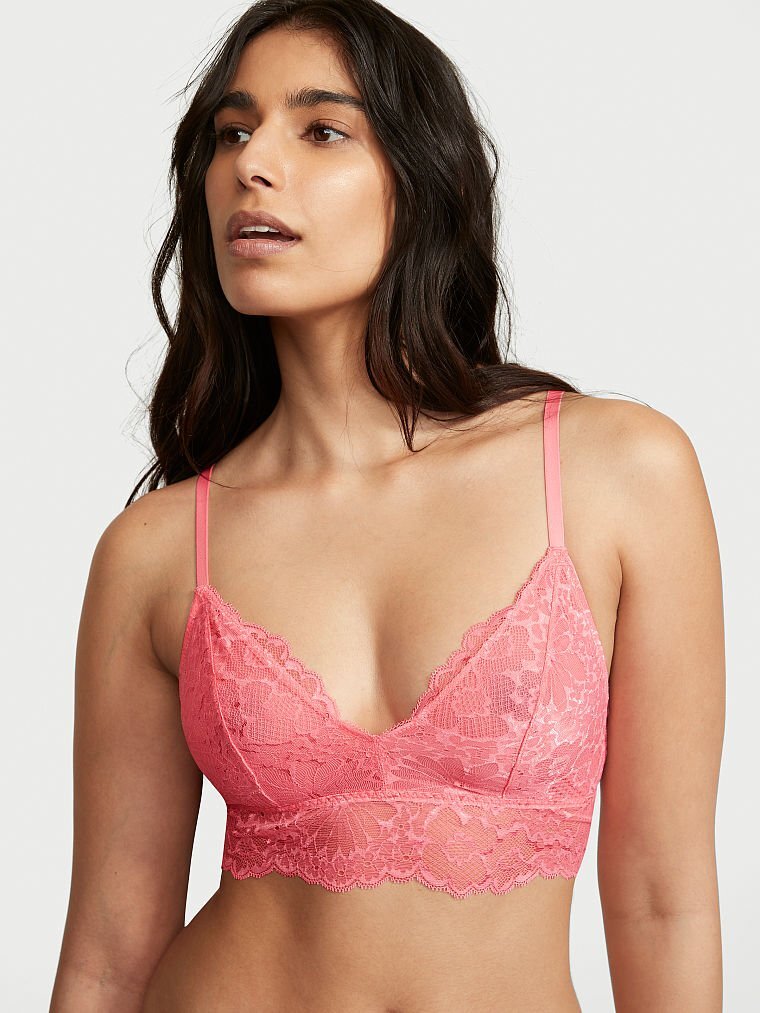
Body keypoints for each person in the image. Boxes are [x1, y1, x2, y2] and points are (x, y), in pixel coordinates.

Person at [50, 1, 725, 1010]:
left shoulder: (614, 472)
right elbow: (108, 957)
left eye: (320, 129)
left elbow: (663, 901)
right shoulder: (156, 549)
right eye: (232, 132)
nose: (252, 164)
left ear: (421, 179)